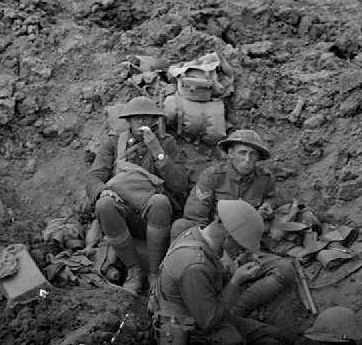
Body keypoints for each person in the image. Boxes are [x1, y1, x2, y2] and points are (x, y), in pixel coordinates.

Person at [170, 129, 294, 318]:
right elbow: (195, 218)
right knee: (180, 227)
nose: (247, 159)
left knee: (285, 270)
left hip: (245, 248)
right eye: (242, 152)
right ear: (230, 153)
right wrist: (217, 253)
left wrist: (268, 206)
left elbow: (275, 197)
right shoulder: (213, 176)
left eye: (253, 155)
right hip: (214, 245)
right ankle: (182, 291)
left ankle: (237, 311)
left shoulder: (264, 178)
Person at [85, 95, 188, 295]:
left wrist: (157, 152)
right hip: (123, 213)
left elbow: (180, 184)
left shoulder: (166, 143)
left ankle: (154, 273)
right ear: (129, 121)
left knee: (160, 201)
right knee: (104, 204)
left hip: (155, 215)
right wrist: (103, 191)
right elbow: (93, 178)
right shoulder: (114, 144)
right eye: (136, 118)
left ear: (154, 121)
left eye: (147, 117)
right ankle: (134, 271)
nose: (142, 122)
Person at [155, 199, 284, 345]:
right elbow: (209, 321)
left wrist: (235, 266)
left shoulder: (200, 236)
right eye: (241, 247)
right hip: (185, 325)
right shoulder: (195, 265)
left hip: (204, 311)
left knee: (273, 334)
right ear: (229, 235)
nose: (241, 252)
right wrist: (236, 281)